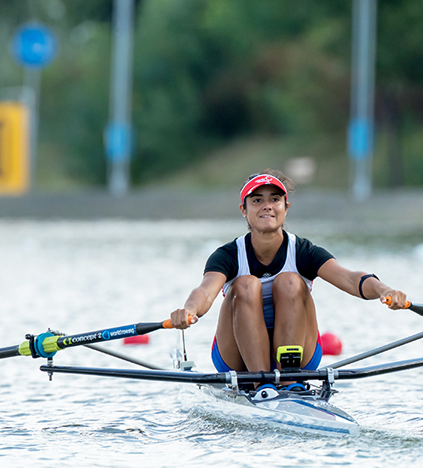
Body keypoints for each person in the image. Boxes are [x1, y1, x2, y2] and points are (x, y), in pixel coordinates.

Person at [169, 169, 409, 395]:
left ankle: (289, 382)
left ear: (286, 207)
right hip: (237, 359)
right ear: (243, 210)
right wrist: (189, 310)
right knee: (245, 284)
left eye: (274, 199)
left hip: (300, 353)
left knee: (291, 281)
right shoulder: (228, 255)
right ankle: (261, 383)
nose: (267, 207)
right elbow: (205, 291)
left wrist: (385, 290)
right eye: (257, 200)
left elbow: (349, 278)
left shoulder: (303, 251)